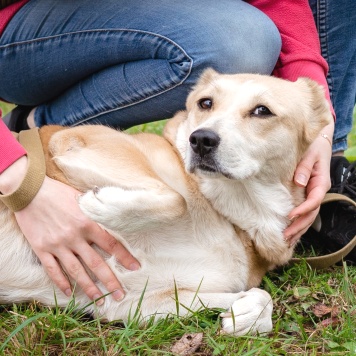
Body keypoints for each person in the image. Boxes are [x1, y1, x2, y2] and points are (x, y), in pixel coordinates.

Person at [0, 0, 335, 302]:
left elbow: (127, 304)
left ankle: (335, 189)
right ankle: (26, 131)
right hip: (18, 28)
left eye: (260, 112)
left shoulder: (238, 271)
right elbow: (68, 146)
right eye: (206, 105)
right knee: (239, 38)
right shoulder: (152, 164)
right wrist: (20, 179)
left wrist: (317, 118)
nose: (208, 133)